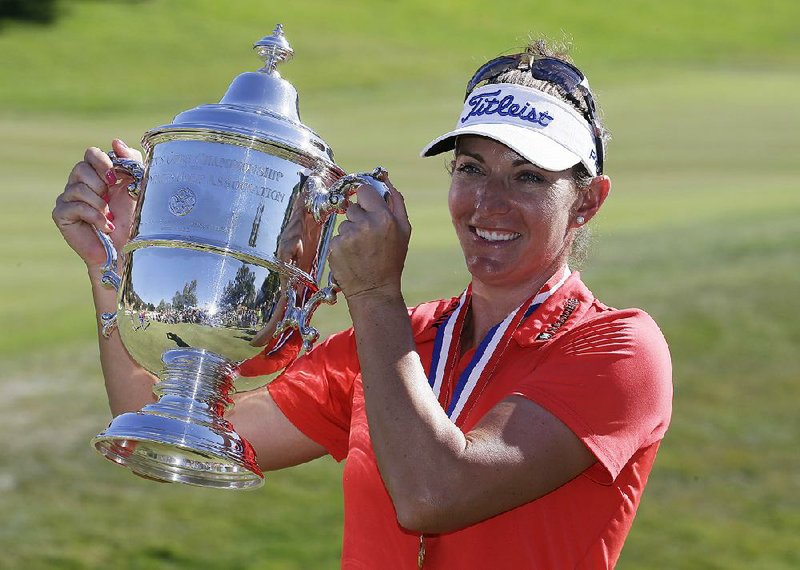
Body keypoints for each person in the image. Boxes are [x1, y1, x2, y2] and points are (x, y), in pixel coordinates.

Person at [52, 39, 672, 569]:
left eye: (529, 176)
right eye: (472, 168)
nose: (489, 203)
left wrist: (374, 295)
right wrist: (114, 264)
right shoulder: (406, 341)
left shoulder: (619, 349)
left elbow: (434, 491)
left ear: (588, 202)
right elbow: (159, 424)